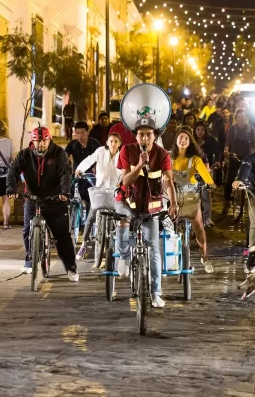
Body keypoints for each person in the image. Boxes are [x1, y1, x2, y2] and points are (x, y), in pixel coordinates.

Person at [116, 117, 179, 308]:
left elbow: (168, 181)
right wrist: (139, 165)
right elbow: (125, 181)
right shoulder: (127, 150)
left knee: (153, 247)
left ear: (155, 136)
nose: (144, 139)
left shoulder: (162, 155)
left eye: (148, 135)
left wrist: (174, 203)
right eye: (141, 135)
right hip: (127, 201)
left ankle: (156, 292)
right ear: (136, 136)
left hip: (151, 205)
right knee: (122, 221)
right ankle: (125, 256)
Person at [6, 126, 79, 281]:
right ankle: (29, 260)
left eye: (44, 140)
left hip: (55, 198)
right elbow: (13, 170)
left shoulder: (58, 153)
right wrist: (11, 188)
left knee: (62, 235)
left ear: (49, 139)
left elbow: (65, 172)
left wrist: (64, 192)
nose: (41, 144)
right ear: (32, 141)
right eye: (37, 141)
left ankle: (71, 268)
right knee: (27, 230)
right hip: (32, 198)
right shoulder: (25, 155)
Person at [171, 127, 214, 273]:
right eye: (180, 137)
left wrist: (210, 182)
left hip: (190, 197)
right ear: (176, 140)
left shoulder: (195, 159)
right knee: (167, 226)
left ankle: (205, 256)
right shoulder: (170, 158)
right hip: (173, 197)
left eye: (186, 138)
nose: (183, 140)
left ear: (190, 142)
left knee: (198, 226)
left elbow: (204, 172)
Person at [74, 132, 122, 261]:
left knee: (121, 217)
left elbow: (126, 170)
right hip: (100, 189)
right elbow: (89, 159)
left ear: (119, 144)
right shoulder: (100, 152)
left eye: (116, 141)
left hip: (115, 191)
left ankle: (120, 246)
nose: (113, 144)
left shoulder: (122, 156)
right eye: (111, 141)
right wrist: (80, 169)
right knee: (91, 215)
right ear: (107, 142)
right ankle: (84, 244)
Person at [223, 108, 255, 214]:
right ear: (236, 117)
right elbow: (228, 143)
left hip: (247, 157)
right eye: (239, 116)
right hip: (235, 156)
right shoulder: (233, 129)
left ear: (245, 117)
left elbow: (253, 145)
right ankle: (227, 200)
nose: (241, 118)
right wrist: (226, 151)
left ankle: (254, 201)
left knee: (253, 177)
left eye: (243, 116)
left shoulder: (250, 128)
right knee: (230, 178)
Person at [66, 121, 100, 221]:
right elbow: (65, 157)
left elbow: (100, 157)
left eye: (82, 132)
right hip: (77, 174)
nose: (80, 136)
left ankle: (90, 219)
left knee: (90, 196)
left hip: (91, 175)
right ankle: (74, 218)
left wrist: (96, 167)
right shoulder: (72, 144)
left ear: (87, 132)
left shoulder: (95, 143)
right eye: (78, 133)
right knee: (70, 193)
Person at [193, 121, 220, 226]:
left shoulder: (211, 140)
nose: (200, 132)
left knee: (206, 194)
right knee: (194, 195)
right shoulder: (191, 141)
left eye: (202, 130)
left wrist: (217, 161)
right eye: (198, 129)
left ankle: (207, 217)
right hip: (193, 171)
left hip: (207, 170)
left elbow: (218, 151)